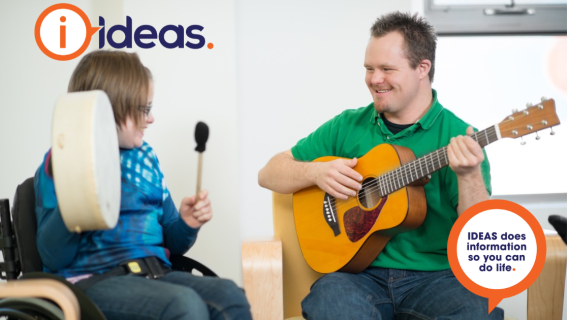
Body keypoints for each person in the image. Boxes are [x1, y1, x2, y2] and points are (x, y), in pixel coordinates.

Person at [258, 12, 503, 320]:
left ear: (422, 69)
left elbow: (479, 235)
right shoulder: (348, 125)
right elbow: (268, 173)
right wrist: (316, 172)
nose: (374, 79)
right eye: (369, 68)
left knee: (477, 310)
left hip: (438, 279)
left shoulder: (460, 137)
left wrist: (468, 176)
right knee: (328, 300)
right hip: (358, 276)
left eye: (387, 69)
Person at [35, 50, 252, 320]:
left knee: (230, 296)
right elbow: (52, 256)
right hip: (91, 283)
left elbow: (170, 242)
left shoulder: (146, 157)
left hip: (155, 275)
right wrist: (77, 201)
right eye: (144, 109)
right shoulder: (62, 160)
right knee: (182, 305)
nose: (151, 119)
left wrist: (186, 224)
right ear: (112, 107)